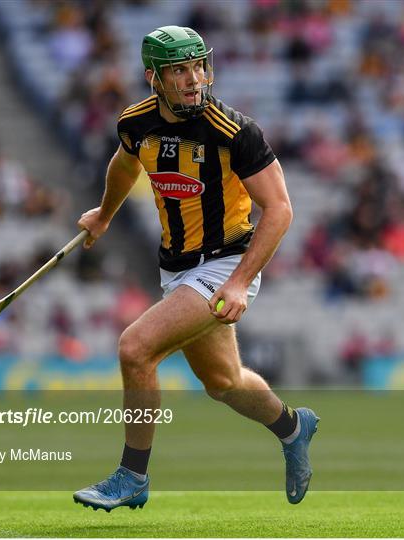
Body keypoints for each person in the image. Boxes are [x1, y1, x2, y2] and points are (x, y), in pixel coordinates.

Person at [73, 26, 319, 512]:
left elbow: (281, 209)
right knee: (224, 384)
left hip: (225, 263)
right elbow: (124, 167)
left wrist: (240, 281)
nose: (193, 79)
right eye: (179, 70)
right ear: (154, 78)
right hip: (177, 268)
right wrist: (105, 214)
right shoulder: (136, 123)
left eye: (198, 66)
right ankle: (294, 428)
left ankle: (132, 475)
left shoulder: (234, 131)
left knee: (135, 348)